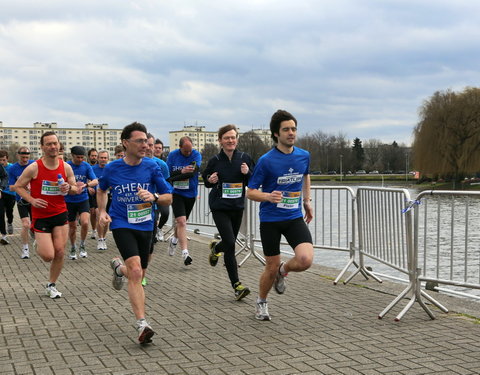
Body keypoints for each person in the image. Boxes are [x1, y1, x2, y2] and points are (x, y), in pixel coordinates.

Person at [97, 122, 172, 344]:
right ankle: (142, 324)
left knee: (137, 273)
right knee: (137, 272)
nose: (145, 145)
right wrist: (102, 211)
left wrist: (155, 198)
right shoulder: (112, 168)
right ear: (125, 143)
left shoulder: (151, 167)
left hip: (146, 224)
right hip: (121, 223)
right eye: (139, 141)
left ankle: (119, 269)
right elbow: (101, 189)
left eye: (145, 141)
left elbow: (169, 196)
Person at [247, 110, 314, 321]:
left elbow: (305, 176)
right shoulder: (266, 161)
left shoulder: (304, 155)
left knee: (305, 260)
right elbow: (250, 192)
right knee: (270, 266)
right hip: (271, 220)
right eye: (286, 129)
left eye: (293, 129)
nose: (291, 133)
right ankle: (261, 302)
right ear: (276, 134)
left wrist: (307, 201)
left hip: (294, 217)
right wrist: (267, 196)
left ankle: (284, 270)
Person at [14, 131, 78, 299]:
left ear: (59, 145)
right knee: (48, 256)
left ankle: (51, 284)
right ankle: (37, 242)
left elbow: (74, 188)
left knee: (60, 252)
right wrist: (32, 200)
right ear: (42, 147)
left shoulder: (66, 167)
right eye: (48, 144)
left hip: (60, 213)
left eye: (55, 143)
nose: (52, 147)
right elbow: (18, 186)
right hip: (41, 216)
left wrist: (68, 188)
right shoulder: (34, 167)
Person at [202, 124, 254, 300]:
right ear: (220, 141)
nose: (230, 140)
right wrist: (210, 179)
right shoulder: (215, 160)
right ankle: (237, 285)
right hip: (220, 207)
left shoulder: (244, 157)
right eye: (227, 138)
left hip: (237, 207)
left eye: (233, 137)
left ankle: (217, 248)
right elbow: (206, 180)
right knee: (231, 243)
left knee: (229, 242)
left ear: (237, 139)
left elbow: (253, 179)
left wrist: (247, 173)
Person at [166, 136, 202, 265]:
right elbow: (168, 174)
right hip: (177, 193)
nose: (188, 153)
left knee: (182, 222)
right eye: (185, 151)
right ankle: (185, 253)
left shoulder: (196, 154)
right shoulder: (172, 156)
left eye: (190, 151)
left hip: (191, 193)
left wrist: (176, 176)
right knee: (181, 221)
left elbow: (192, 173)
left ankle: (174, 240)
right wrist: (181, 171)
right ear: (180, 147)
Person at [143, 133, 170, 286]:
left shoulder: (161, 165)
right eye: (146, 144)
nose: (148, 148)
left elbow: (167, 189)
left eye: (151, 145)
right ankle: (134, 271)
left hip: (153, 206)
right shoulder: (130, 164)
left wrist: (155, 196)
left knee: (148, 246)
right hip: (132, 212)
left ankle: (142, 274)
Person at [65, 146, 98, 259]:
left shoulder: (86, 166)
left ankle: (82, 245)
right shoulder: (66, 166)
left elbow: (95, 180)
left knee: (84, 223)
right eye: (78, 157)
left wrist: (86, 185)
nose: (80, 160)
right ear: (72, 156)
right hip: (69, 201)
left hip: (83, 199)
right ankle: (73, 247)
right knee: (72, 227)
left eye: (82, 157)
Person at [8, 147, 35, 258]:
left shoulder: (34, 165)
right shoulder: (13, 168)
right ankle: (25, 249)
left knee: (35, 225)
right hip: (21, 200)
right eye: (23, 157)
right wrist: (22, 186)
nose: (25, 160)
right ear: (18, 155)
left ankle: (35, 236)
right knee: (25, 224)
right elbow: (11, 187)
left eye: (27, 157)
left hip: (34, 200)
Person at [92, 150, 109, 251]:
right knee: (99, 215)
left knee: (106, 219)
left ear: (108, 159)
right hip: (96, 195)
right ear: (98, 159)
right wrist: (90, 187)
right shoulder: (93, 168)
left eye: (105, 158)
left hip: (108, 195)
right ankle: (100, 238)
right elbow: (88, 180)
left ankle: (104, 237)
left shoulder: (110, 169)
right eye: (101, 158)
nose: (103, 160)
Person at [0, 150, 15, 245]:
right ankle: (4, 236)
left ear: (7, 159)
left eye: (4, 160)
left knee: (9, 212)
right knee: (1, 214)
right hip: (1, 194)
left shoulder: (12, 167)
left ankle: (10, 222)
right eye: (0, 160)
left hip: (11, 193)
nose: (2, 162)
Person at [87, 148, 99, 239]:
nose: (94, 157)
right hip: (89, 192)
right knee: (92, 212)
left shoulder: (100, 166)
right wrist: (89, 187)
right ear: (89, 156)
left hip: (99, 193)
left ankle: (99, 231)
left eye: (95, 156)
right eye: (92, 155)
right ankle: (94, 229)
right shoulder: (87, 166)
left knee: (97, 212)